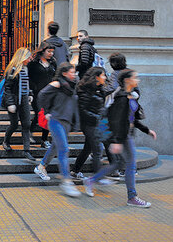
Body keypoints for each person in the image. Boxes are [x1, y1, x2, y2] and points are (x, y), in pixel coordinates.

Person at [82, 69, 157, 207]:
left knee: (118, 164)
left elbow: (132, 119)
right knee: (130, 165)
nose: (137, 80)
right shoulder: (121, 98)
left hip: (125, 135)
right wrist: (116, 141)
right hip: (121, 136)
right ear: (127, 80)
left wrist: (147, 130)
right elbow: (116, 121)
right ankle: (132, 197)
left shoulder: (129, 96)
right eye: (135, 77)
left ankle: (91, 180)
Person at [33, 63, 81, 197]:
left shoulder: (72, 86)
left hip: (66, 121)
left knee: (55, 146)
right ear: (64, 73)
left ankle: (41, 167)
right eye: (71, 72)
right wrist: (46, 111)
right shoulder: (57, 84)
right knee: (64, 149)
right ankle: (66, 182)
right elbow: (41, 95)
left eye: (74, 72)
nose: (74, 74)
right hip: (56, 120)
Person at [69, 67, 113, 185]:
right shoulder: (85, 90)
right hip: (88, 124)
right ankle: (98, 177)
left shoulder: (99, 89)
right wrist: (96, 117)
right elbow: (82, 110)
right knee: (97, 150)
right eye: (103, 75)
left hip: (97, 123)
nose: (105, 77)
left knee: (87, 148)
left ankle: (75, 170)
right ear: (96, 77)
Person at [1, 47, 36, 161]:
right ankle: (6, 141)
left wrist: (30, 94)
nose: (30, 59)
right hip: (14, 100)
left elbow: (28, 83)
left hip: (24, 100)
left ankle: (27, 150)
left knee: (26, 124)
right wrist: (10, 104)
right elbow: (8, 89)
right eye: (28, 57)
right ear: (22, 57)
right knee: (14, 124)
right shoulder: (12, 69)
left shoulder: (26, 69)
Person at [27, 41, 57, 148]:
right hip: (37, 94)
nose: (51, 54)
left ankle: (44, 140)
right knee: (39, 114)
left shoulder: (53, 63)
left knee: (47, 116)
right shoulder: (33, 64)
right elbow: (29, 78)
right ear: (42, 51)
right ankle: (29, 131)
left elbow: (55, 76)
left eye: (52, 52)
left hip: (50, 94)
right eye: (49, 51)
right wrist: (32, 89)